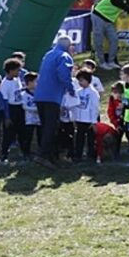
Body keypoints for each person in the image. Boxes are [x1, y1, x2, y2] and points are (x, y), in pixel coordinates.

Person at [33, 36, 74, 167]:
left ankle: (51, 155)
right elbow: (63, 75)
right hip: (53, 96)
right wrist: (71, 89)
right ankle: (43, 155)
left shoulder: (48, 54)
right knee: (51, 128)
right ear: (68, 46)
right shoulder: (64, 56)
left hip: (40, 95)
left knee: (46, 126)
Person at [91, 0, 129, 70]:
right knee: (99, 41)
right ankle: (102, 62)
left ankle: (111, 62)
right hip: (98, 17)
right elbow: (128, 8)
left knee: (114, 39)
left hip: (108, 19)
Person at [69, 70, 100, 163]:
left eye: (82, 80)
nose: (80, 83)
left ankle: (91, 155)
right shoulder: (78, 92)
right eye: (79, 80)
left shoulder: (93, 93)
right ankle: (78, 155)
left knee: (91, 139)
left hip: (89, 120)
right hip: (80, 119)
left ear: (88, 80)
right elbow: (75, 106)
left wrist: (94, 121)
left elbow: (95, 107)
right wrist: (73, 118)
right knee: (79, 138)